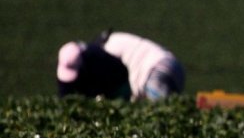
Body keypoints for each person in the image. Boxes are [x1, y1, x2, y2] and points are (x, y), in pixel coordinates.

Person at [57, 30, 185, 101]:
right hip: (171, 67)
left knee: (165, 112)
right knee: (176, 107)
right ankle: (203, 102)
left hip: (155, 70)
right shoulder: (108, 46)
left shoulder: (105, 55)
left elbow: (121, 84)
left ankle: (202, 103)